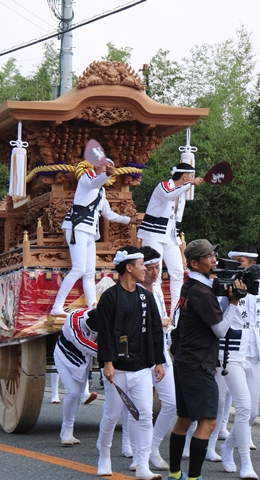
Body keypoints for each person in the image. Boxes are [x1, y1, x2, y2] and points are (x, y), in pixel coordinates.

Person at [167, 239, 238, 480]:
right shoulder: (201, 292)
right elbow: (220, 330)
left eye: (213, 255)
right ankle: (194, 477)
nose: (214, 260)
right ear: (195, 263)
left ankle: (175, 474)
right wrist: (234, 303)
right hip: (197, 363)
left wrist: (227, 297)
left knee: (184, 420)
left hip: (186, 361)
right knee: (208, 422)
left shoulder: (190, 286)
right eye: (208, 256)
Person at [96, 246, 166, 480]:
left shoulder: (146, 297)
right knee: (111, 415)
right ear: (128, 267)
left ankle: (142, 464)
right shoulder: (110, 297)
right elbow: (105, 333)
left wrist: (158, 361)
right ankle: (104, 455)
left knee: (145, 415)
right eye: (141, 264)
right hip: (117, 369)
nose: (145, 268)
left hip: (142, 367)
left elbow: (156, 330)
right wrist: (107, 362)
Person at [50, 154, 131, 316]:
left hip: (90, 232)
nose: (108, 166)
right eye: (106, 164)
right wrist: (107, 174)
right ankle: (56, 307)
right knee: (78, 269)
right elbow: (95, 182)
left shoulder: (101, 191)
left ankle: (92, 306)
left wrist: (128, 220)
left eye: (110, 165)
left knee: (89, 272)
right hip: (77, 228)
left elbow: (108, 214)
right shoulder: (87, 178)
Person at [218, 245, 260, 479]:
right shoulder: (225, 283)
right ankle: (246, 463)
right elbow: (219, 311)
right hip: (232, 352)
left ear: (253, 264)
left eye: (243, 261)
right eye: (236, 261)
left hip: (255, 351)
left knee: (252, 413)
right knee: (243, 407)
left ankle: (227, 446)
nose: (240, 265)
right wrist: (231, 294)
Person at [137, 163, 203, 311]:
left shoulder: (182, 194)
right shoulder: (163, 186)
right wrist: (190, 184)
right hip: (153, 235)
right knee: (155, 275)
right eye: (192, 176)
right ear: (184, 176)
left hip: (170, 237)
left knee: (178, 273)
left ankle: (175, 314)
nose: (193, 179)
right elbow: (168, 195)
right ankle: (158, 313)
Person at [137, 245, 176, 471]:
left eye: (157, 268)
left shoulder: (158, 290)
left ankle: (152, 448)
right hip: (139, 357)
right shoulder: (132, 291)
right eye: (149, 268)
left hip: (160, 353)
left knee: (171, 403)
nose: (154, 272)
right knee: (138, 410)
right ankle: (135, 453)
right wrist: (157, 322)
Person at [53, 306, 100, 445]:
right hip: (64, 356)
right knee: (72, 392)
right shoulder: (74, 320)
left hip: (84, 360)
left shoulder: (103, 316)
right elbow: (83, 344)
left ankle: (69, 430)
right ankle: (66, 430)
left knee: (79, 395)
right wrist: (109, 353)